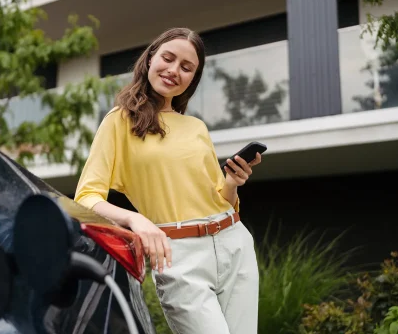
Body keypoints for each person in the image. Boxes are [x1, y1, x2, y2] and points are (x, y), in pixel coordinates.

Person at [74, 27, 261, 334]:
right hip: (180, 256)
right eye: (168, 58)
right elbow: (86, 198)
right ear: (150, 59)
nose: (175, 70)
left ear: (193, 79)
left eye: (187, 68)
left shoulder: (196, 127)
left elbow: (220, 199)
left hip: (234, 242)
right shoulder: (119, 122)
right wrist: (137, 220)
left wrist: (232, 182)